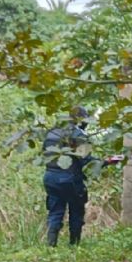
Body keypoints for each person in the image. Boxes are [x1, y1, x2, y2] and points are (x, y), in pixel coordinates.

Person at [43, 105, 100, 246]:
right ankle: (74, 245)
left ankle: (50, 246)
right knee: (76, 211)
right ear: (81, 119)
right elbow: (86, 159)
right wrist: (105, 162)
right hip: (69, 178)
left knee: (55, 212)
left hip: (50, 177)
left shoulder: (52, 132)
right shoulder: (78, 134)